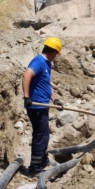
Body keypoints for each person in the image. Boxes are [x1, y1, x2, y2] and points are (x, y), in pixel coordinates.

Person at [21, 37, 62, 176]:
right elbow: (26, 76)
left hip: (43, 105)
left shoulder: (46, 64)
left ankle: (43, 159)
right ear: (53, 52)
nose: (56, 57)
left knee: (44, 134)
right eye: (56, 54)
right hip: (36, 107)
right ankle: (34, 168)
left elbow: (46, 83)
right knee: (40, 136)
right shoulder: (39, 62)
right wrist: (27, 97)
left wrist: (54, 99)